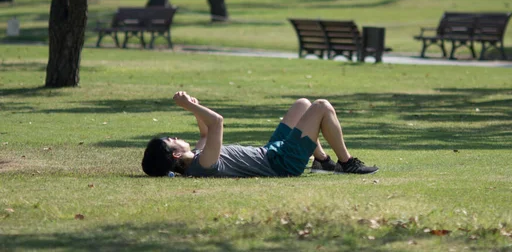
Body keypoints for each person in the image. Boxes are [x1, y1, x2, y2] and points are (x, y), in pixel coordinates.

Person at [142, 91, 378, 178]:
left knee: (302, 104)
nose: (173, 136)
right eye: (170, 140)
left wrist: (195, 108)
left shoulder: (198, 156)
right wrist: (188, 106)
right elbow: (216, 123)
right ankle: (347, 164)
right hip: (282, 163)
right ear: (174, 155)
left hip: (271, 151)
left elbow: (204, 131)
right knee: (322, 106)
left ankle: (322, 162)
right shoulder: (204, 164)